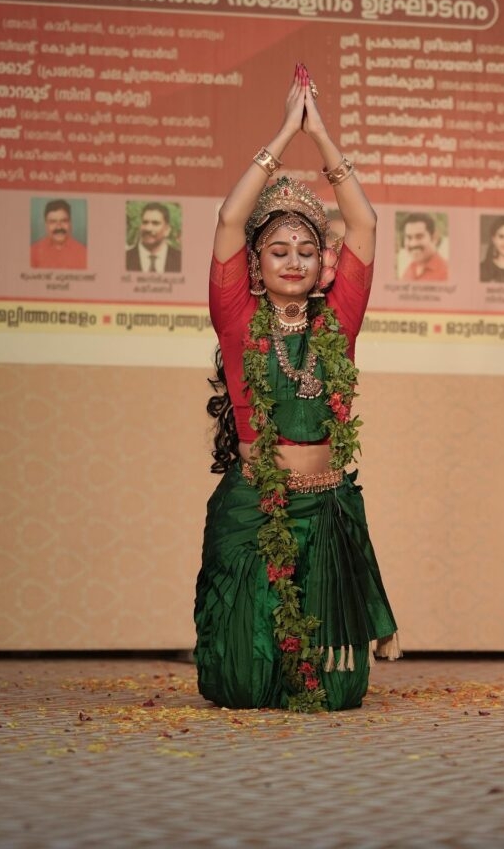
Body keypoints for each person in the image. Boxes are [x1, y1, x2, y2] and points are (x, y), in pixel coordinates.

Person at [194, 63, 400, 715]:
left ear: (320, 268)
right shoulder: (238, 322)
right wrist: (285, 133)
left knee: (336, 693)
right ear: (255, 266)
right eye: (276, 249)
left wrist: (325, 139)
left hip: (325, 511)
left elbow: (363, 225)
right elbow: (230, 219)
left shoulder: (336, 324)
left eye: (305, 251)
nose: (291, 259)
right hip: (256, 508)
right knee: (243, 686)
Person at [30, 199, 87, 270]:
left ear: (70, 223)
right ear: (46, 225)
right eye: (53, 222)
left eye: (64, 221)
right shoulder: (33, 252)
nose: (59, 227)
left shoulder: (83, 253)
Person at [126, 202, 182, 272]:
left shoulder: (180, 260)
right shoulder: (126, 258)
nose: (148, 228)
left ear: (167, 230)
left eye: (155, 223)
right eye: (145, 222)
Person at [400, 212, 448, 281]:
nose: (413, 244)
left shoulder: (446, 273)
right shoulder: (409, 271)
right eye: (409, 237)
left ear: (434, 238)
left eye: (419, 236)